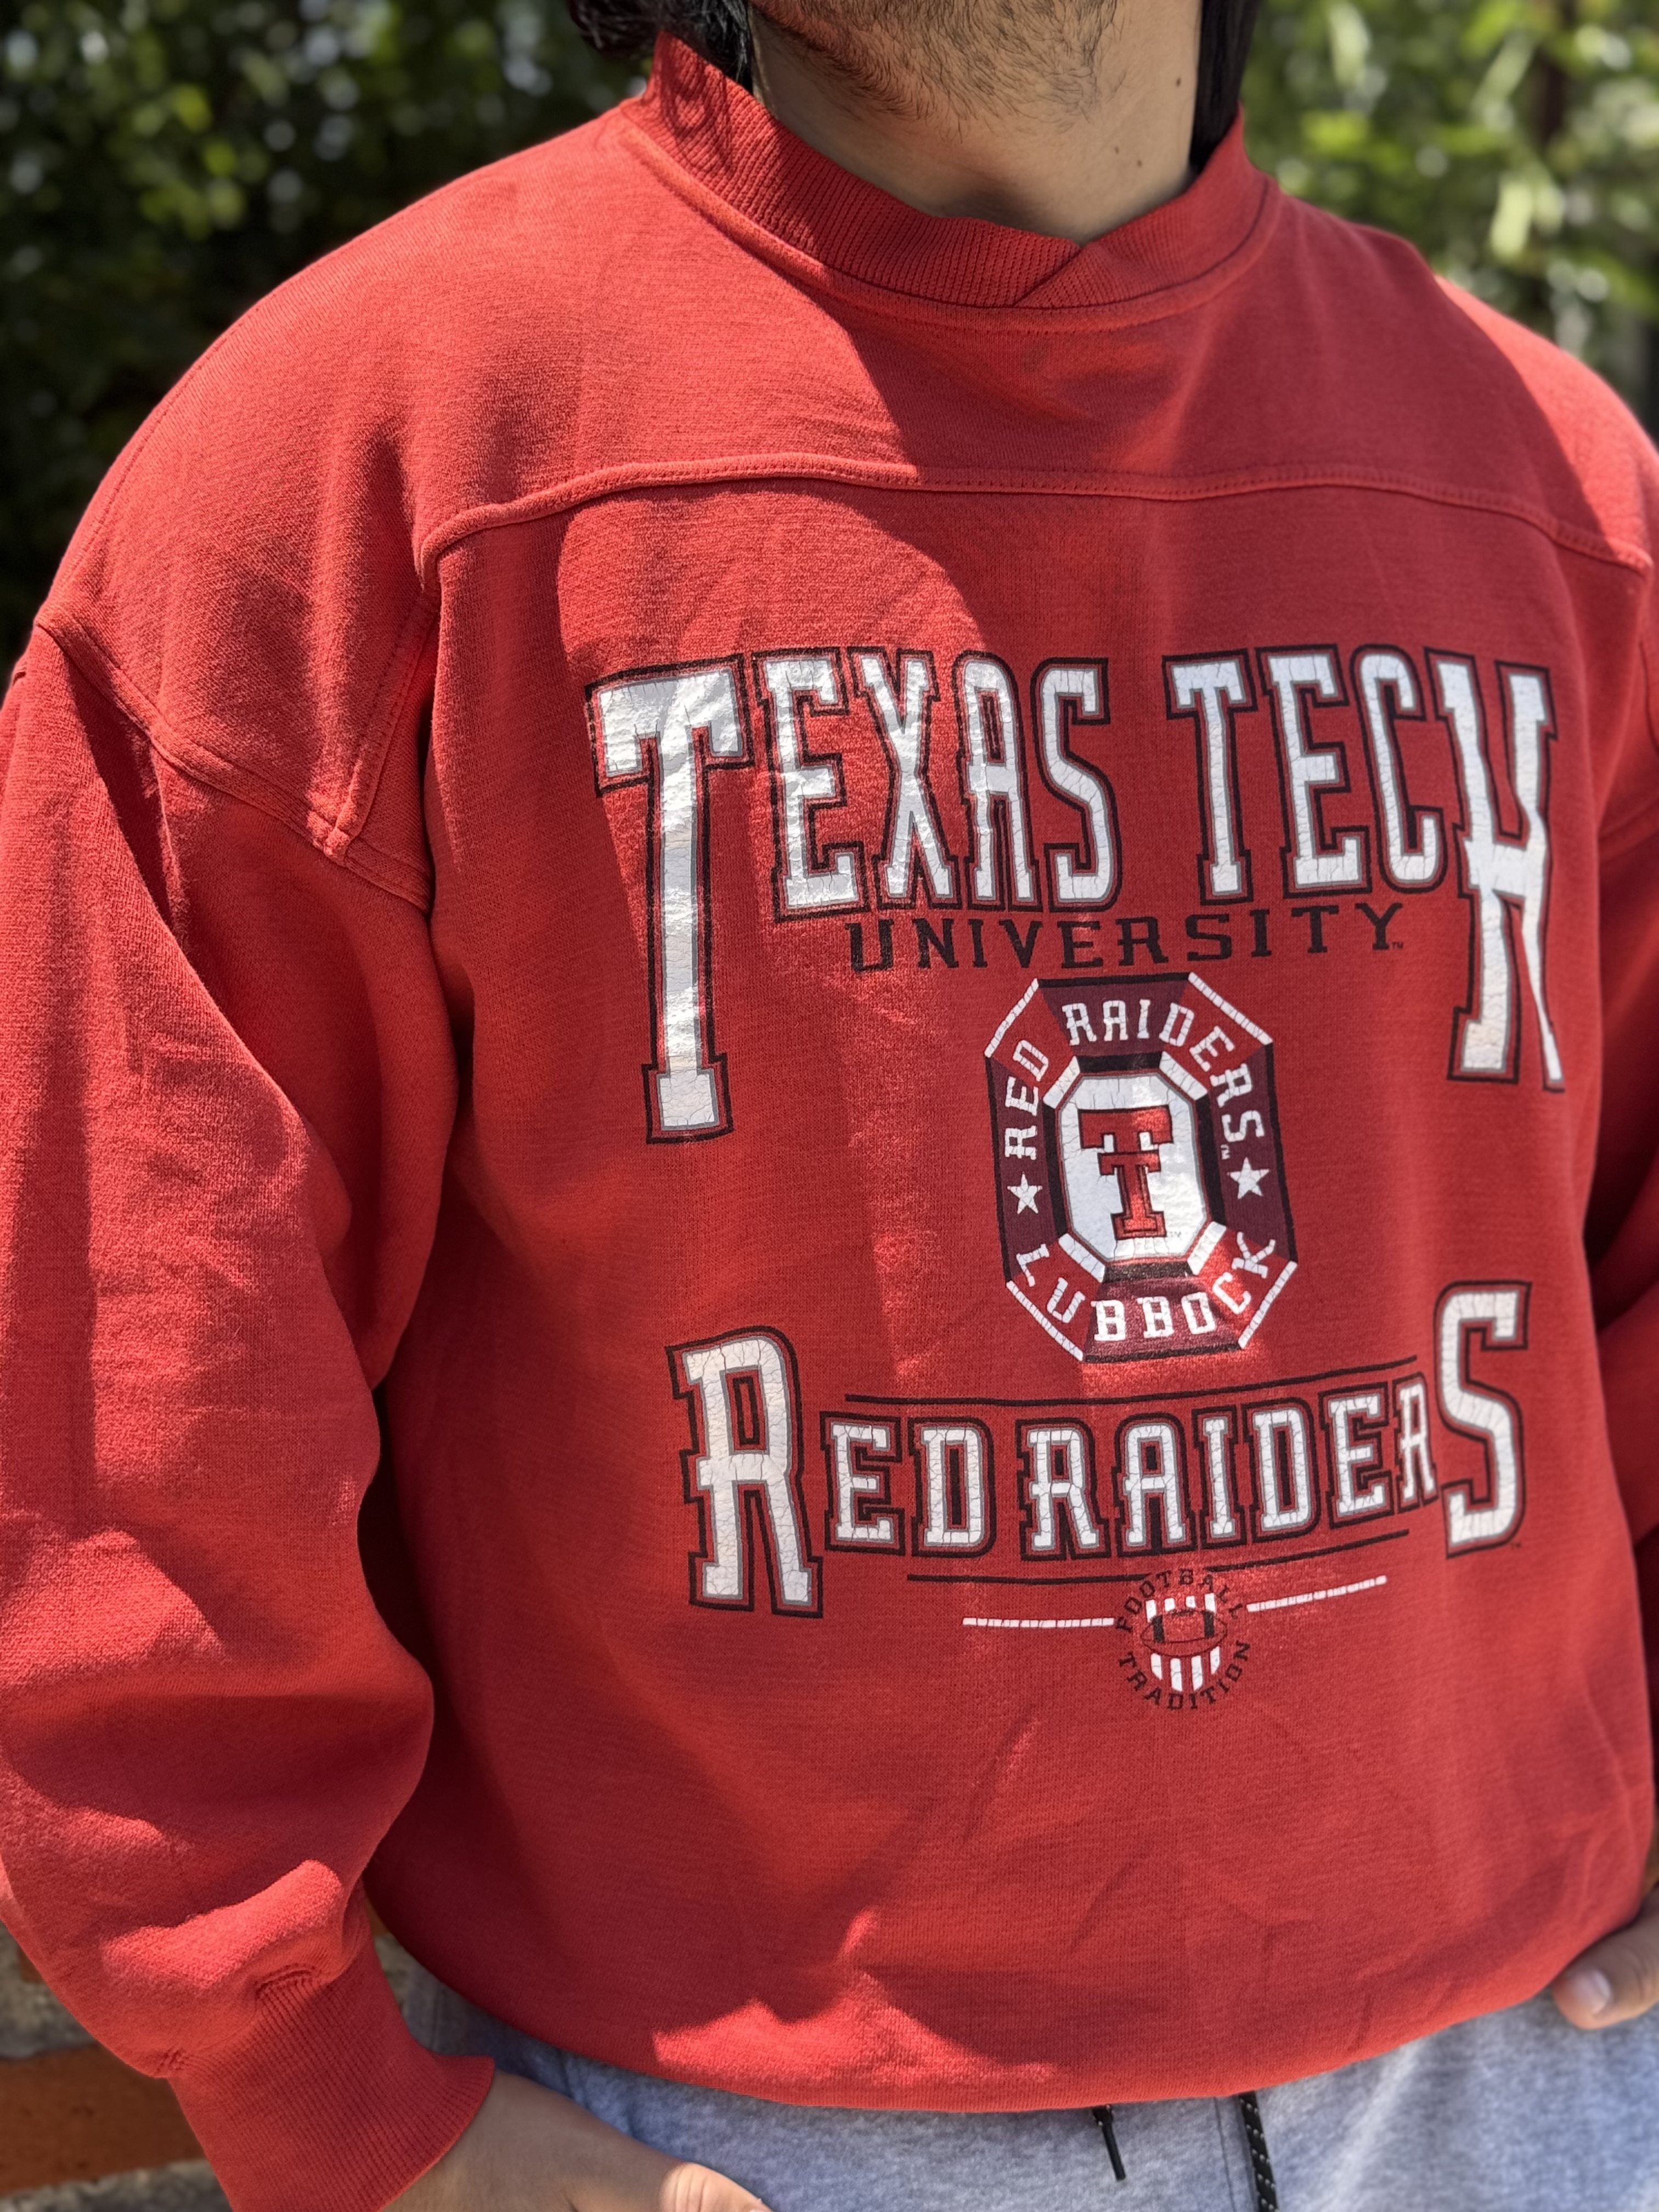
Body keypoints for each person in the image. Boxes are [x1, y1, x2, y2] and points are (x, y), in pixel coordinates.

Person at [4, 0, 1659, 2205]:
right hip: (731, 2143)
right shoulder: (359, 469)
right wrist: (331, 2101)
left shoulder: (1557, 486)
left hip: (1537, 2081)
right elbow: (126, 1398)